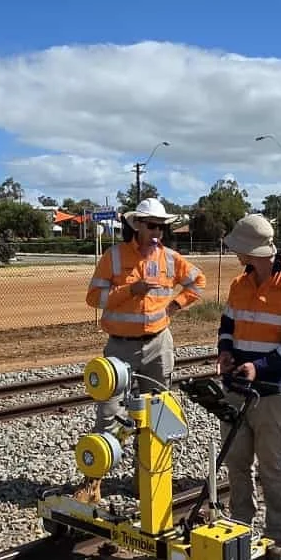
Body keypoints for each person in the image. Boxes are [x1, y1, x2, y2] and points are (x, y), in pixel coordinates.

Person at [77, 197, 206, 502]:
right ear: (137, 226)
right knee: (109, 415)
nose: (157, 231)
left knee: (158, 414)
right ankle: (92, 484)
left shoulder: (171, 259)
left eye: (161, 226)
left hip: (158, 345)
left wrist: (175, 305)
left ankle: (148, 482)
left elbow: (198, 282)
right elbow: (94, 298)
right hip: (120, 349)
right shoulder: (115, 257)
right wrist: (130, 291)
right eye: (152, 226)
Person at [215, 212, 281, 551]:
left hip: (271, 392)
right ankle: (240, 527)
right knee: (236, 462)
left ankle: (276, 534)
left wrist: (260, 367)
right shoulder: (239, 284)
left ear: (254, 250)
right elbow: (227, 326)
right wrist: (225, 352)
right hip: (237, 388)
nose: (236, 255)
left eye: (239, 249)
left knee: (272, 465)